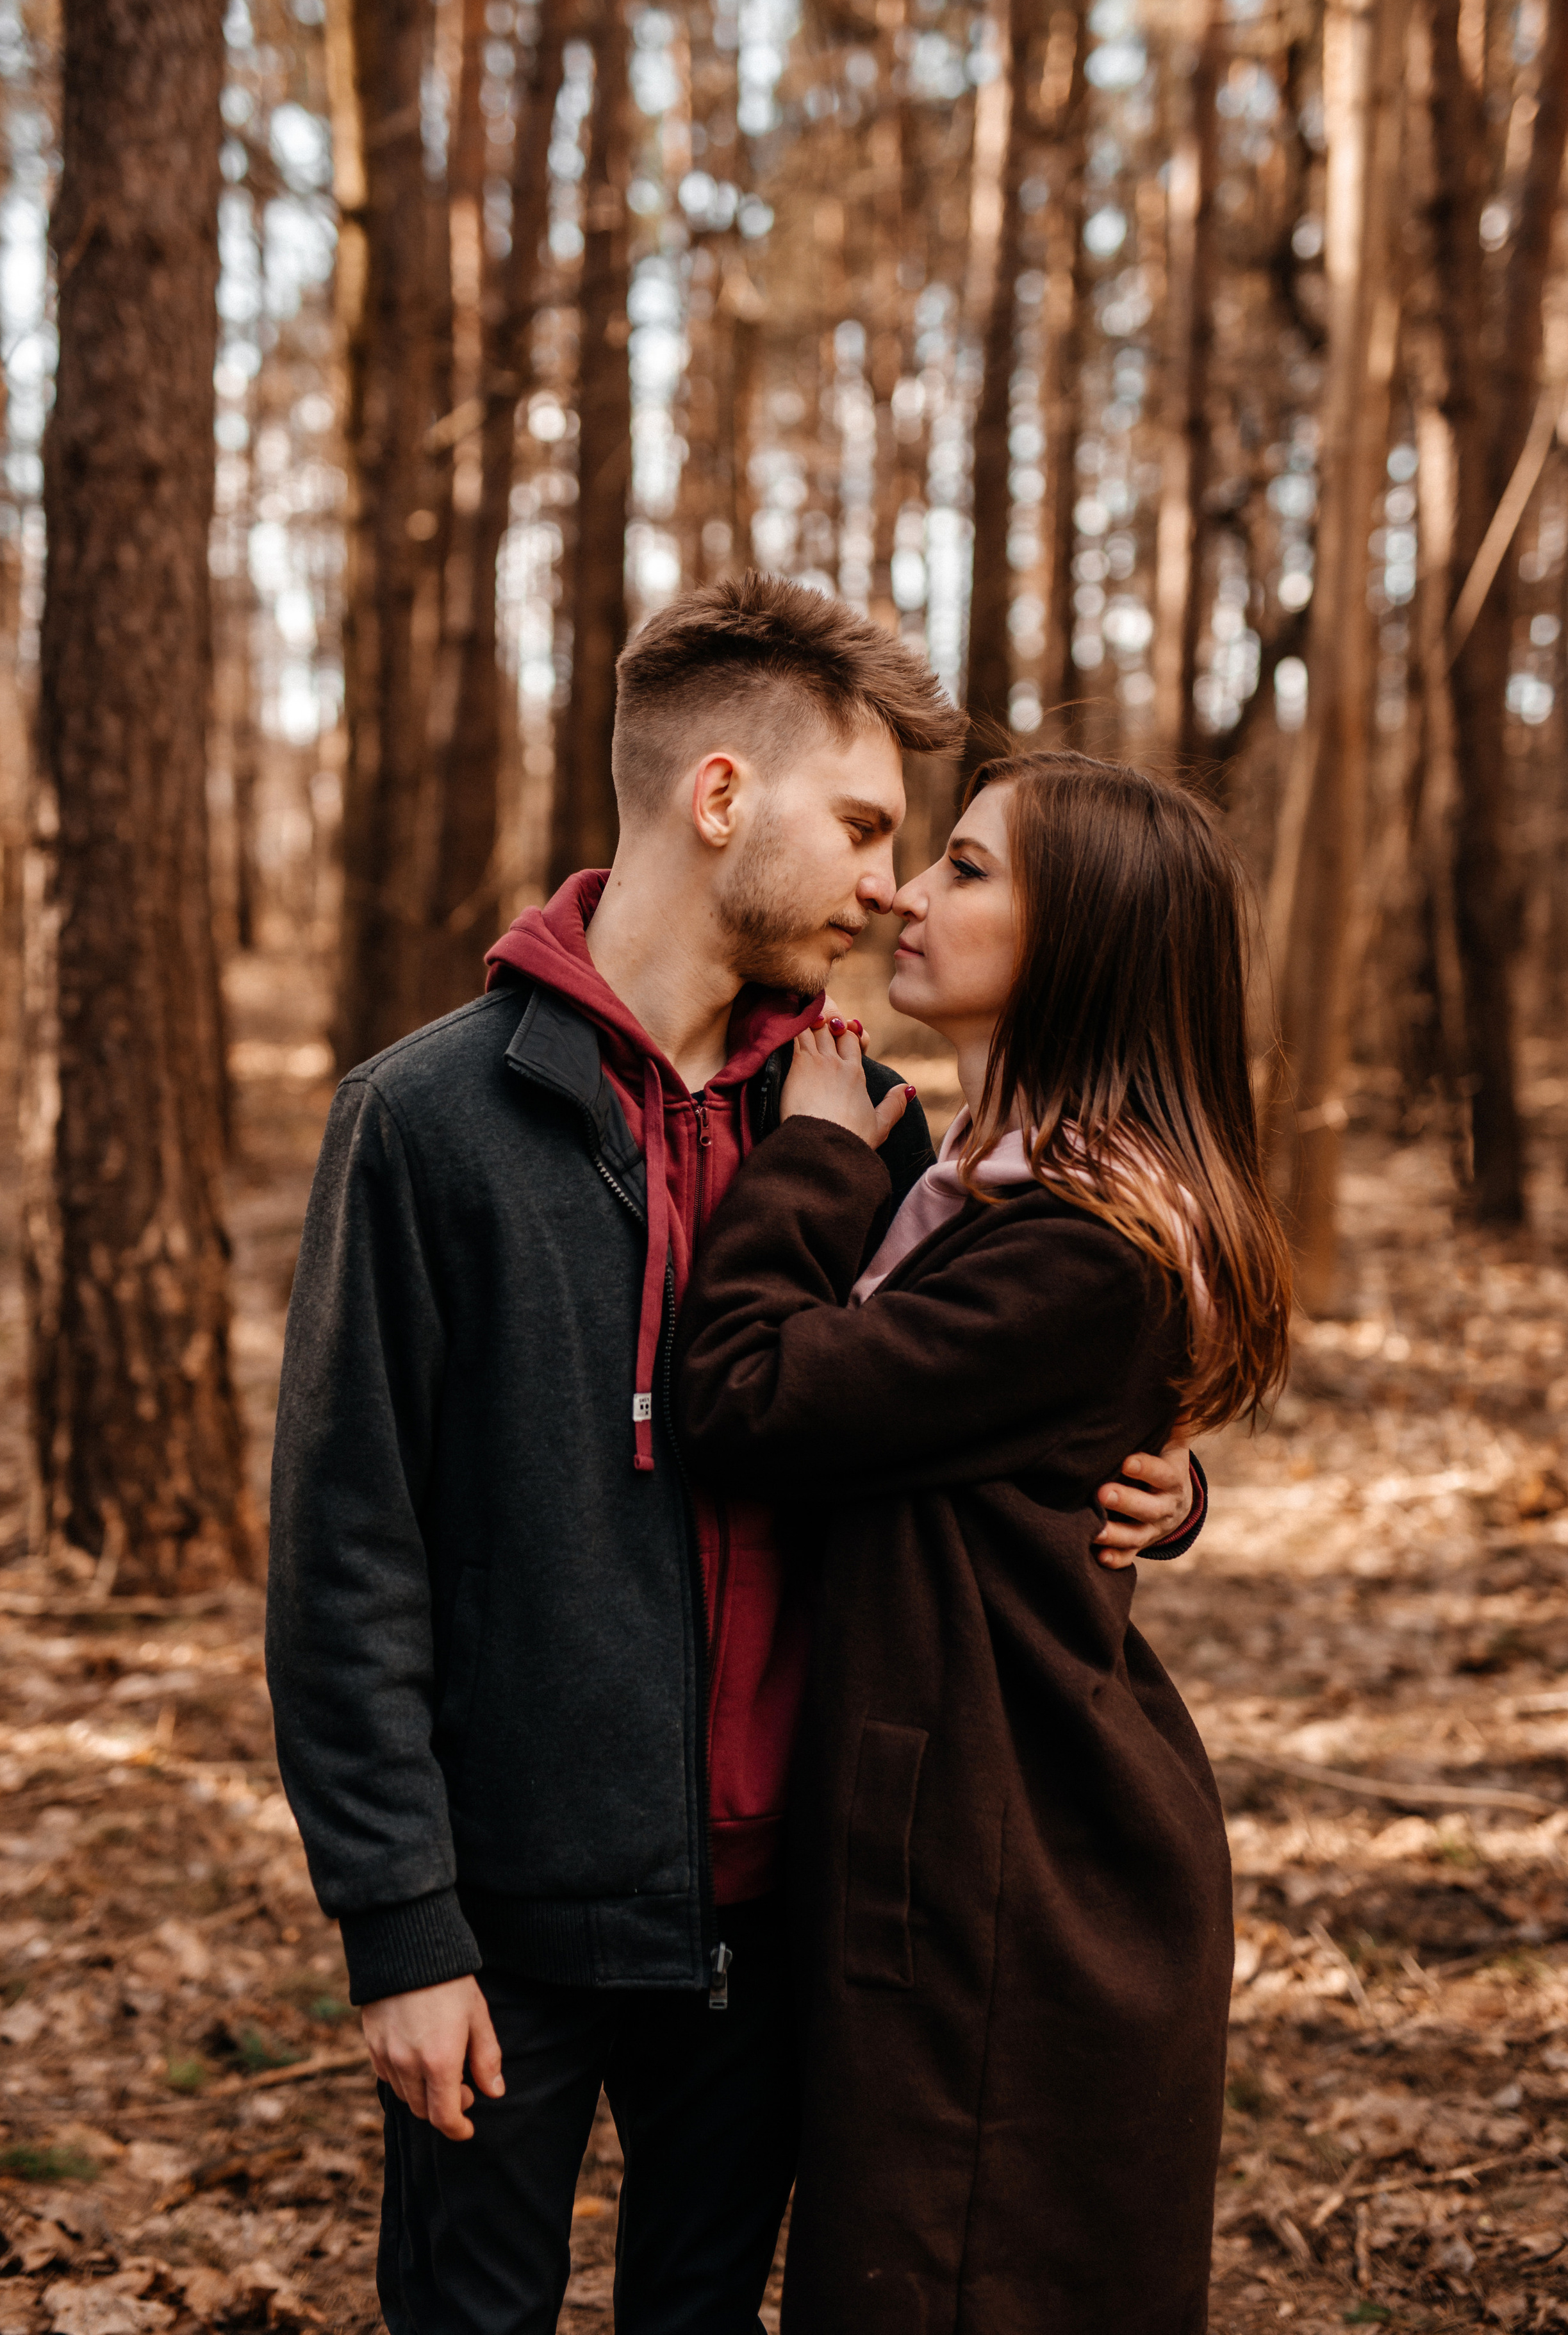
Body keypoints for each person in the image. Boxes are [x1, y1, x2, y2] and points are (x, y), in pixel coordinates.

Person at [266, 577, 1204, 2335]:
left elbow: (996, 1390)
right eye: (861, 828)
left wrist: (1162, 1482)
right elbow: (345, 1557)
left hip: (791, 1920)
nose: (884, 883)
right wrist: (399, 1926)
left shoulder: (867, 1128)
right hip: (513, 1913)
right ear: (718, 799)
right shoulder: (429, 1122)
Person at [675, 749, 1292, 2335]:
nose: (898, 890)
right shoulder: (984, 1193)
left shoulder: (1084, 1242)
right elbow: (1000, 1430)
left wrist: (808, 1154)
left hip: (1014, 1867)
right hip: (965, 1824)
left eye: (962, 868)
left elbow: (750, 1399)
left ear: (1075, 938)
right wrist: (1160, 1473)